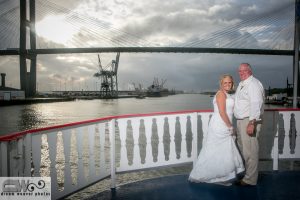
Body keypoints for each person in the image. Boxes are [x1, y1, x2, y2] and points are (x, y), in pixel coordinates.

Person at [188, 74, 244, 186]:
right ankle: (210, 175)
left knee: (222, 152)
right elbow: (222, 112)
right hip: (220, 125)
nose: (228, 84)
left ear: (232, 84)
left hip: (224, 123)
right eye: (225, 83)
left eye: (230, 83)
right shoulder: (220, 94)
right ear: (221, 84)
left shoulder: (228, 95)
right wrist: (230, 126)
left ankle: (222, 176)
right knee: (215, 151)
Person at [234, 63, 265, 186]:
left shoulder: (253, 84)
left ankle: (250, 180)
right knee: (244, 149)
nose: (241, 73)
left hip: (249, 120)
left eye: (244, 70)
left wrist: (252, 123)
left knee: (250, 151)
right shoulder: (242, 84)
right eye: (239, 71)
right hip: (241, 120)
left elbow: (256, 103)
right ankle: (249, 174)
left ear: (250, 71)